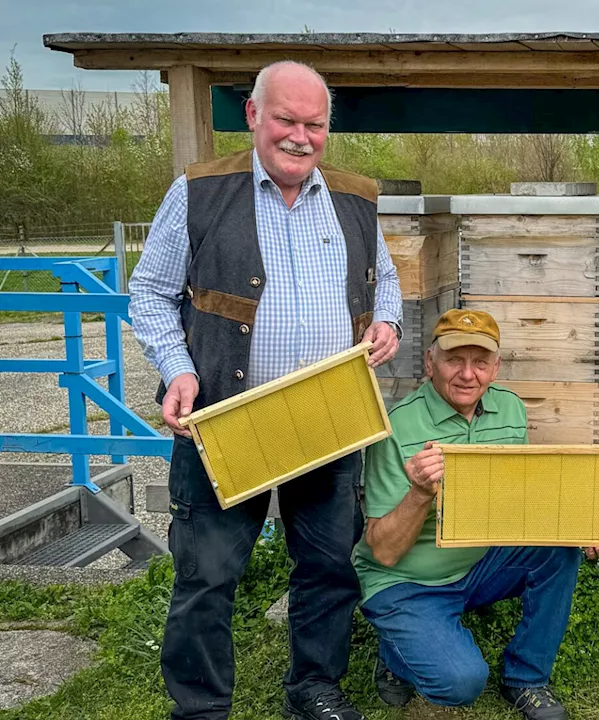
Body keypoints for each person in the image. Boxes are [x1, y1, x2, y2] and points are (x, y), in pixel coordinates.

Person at [130, 60, 403, 720]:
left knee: (328, 566)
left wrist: (387, 320)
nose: (300, 137)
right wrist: (180, 370)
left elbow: (385, 280)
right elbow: (149, 292)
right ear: (255, 116)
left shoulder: (355, 198)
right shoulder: (199, 191)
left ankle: (314, 692)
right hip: (226, 418)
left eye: (315, 124)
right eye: (286, 120)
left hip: (326, 418)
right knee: (207, 575)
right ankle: (199, 709)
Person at [353, 308, 599, 720]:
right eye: (454, 359)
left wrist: (585, 520)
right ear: (430, 362)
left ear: (495, 368)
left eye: (480, 362)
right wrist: (420, 493)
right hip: (406, 578)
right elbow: (383, 552)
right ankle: (396, 651)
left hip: (478, 561)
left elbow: (523, 499)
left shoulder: (510, 409)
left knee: (560, 549)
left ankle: (527, 678)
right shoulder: (395, 427)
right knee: (460, 683)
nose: (467, 374)